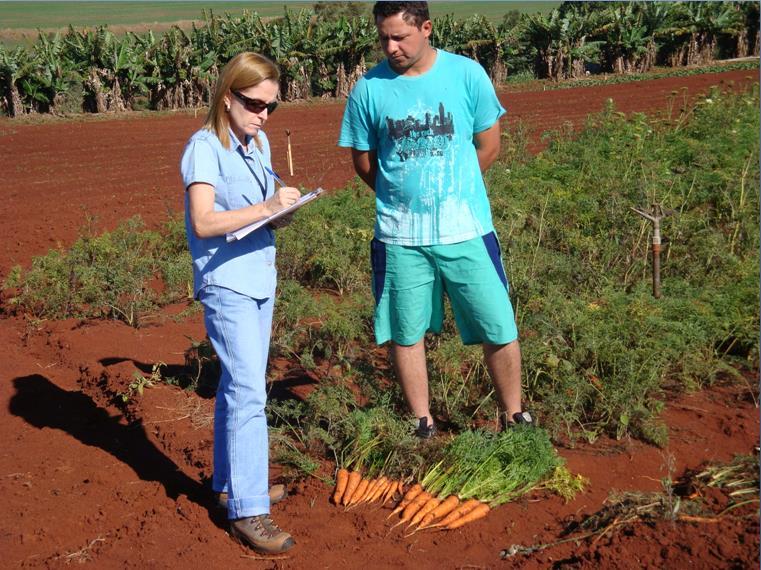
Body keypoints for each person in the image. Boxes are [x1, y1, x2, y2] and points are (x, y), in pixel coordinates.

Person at [338, 1, 533, 438]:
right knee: (406, 332)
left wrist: (450, 192)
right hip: (399, 236)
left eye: (400, 37)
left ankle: (514, 414)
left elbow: (489, 145)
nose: (390, 47)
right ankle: (421, 421)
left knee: (497, 323)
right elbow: (364, 161)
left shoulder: (466, 75)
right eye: (383, 38)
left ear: (426, 28)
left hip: (466, 229)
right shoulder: (368, 89)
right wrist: (403, 198)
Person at [180, 52, 300, 554]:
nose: (263, 115)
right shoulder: (203, 149)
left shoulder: (258, 141)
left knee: (238, 385)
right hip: (225, 281)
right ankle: (250, 511)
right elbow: (204, 222)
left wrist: (283, 210)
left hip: (259, 276)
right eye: (253, 104)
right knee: (251, 390)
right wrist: (267, 207)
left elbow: (261, 206)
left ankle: (232, 485)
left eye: (271, 106)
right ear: (227, 96)